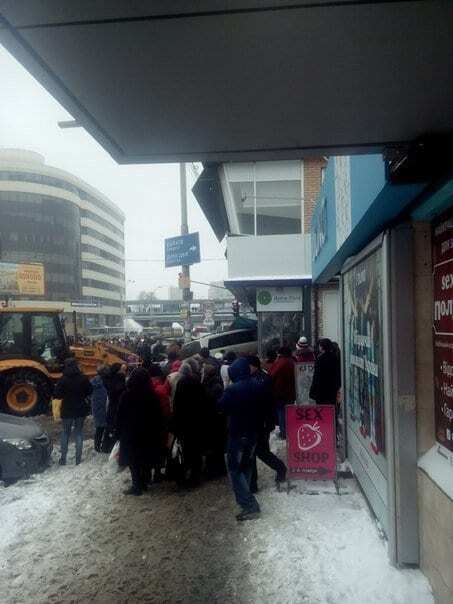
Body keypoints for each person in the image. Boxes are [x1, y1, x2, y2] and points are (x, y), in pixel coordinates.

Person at [219, 357, 263, 521]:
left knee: (235, 470)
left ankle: (249, 505)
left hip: (237, 434)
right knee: (247, 464)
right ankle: (247, 496)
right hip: (253, 433)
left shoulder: (232, 390)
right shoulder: (257, 385)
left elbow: (221, 407)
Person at [116, 368, 162, 496]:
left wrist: (118, 431)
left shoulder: (126, 395)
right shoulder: (152, 395)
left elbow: (120, 415)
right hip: (148, 433)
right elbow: (158, 415)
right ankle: (145, 482)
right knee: (146, 458)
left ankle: (137, 485)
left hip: (130, 434)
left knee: (133, 460)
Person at [248, 356, 287, 492]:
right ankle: (252, 484)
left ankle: (280, 468)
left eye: (248, 366)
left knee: (259, 452)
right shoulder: (260, 378)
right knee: (256, 452)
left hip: (260, 422)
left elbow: (264, 403)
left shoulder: (260, 380)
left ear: (254, 366)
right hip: (261, 422)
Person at [171, 361, 208, 488]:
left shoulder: (181, 384)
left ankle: (186, 476)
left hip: (184, 423)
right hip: (197, 422)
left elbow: (177, 405)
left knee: (186, 451)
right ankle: (196, 476)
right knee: (196, 450)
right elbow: (204, 401)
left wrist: (175, 425)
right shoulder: (197, 382)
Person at [54, 358, 93, 465]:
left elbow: (57, 394)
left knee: (65, 432)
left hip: (67, 410)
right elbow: (90, 391)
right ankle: (78, 459)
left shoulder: (63, 379)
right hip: (80, 409)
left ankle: (63, 459)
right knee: (79, 433)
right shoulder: (83, 378)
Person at [202, 361, 226, 478]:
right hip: (216, 419)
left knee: (215, 446)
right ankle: (219, 469)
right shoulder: (215, 382)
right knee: (217, 446)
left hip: (214, 420)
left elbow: (212, 401)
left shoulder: (213, 385)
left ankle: (215, 470)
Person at [149, 363, 172, 482]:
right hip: (161, 423)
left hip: (149, 424)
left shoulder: (146, 386)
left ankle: (151, 473)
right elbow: (166, 408)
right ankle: (159, 473)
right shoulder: (160, 389)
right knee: (163, 447)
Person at [269, 347, 296, 439]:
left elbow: (271, 375)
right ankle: (292, 430)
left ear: (280, 354)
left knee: (281, 412)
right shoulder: (293, 362)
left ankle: (284, 432)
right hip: (291, 392)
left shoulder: (279, 363)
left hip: (280, 392)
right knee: (290, 411)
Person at [103, 362, 127, 452]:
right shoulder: (119, 379)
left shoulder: (110, 379)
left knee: (110, 427)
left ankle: (106, 446)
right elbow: (120, 392)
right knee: (115, 427)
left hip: (111, 407)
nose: (124, 371)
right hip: (117, 407)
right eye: (122, 369)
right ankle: (112, 447)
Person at [309, 338, 341, 406]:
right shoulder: (335, 357)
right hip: (332, 389)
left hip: (321, 391)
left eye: (320, 345)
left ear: (322, 347)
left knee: (322, 410)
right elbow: (338, 373)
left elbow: (316, 376)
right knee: (331, 409)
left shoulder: (320, 359)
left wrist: (313, 391)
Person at [90, 364, 108, 452]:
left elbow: (88, 392)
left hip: (96, 406)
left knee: (99, 427)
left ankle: (97, 446)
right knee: (106, 427)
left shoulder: (93, 381)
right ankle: (105, 446)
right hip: (106, 406)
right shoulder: (107, 381)